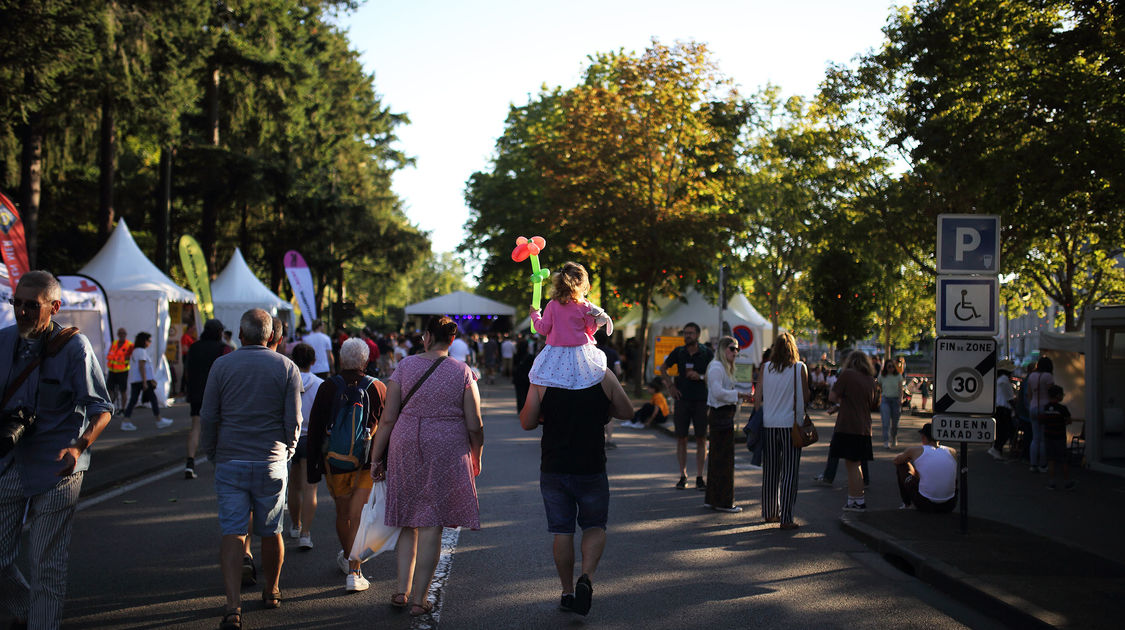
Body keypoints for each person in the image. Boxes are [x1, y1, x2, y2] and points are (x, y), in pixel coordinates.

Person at [0, 271, 114, 629]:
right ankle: (24, 610)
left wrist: (78, 448)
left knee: (46, 564)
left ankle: (41, 621)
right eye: (16, 303)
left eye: (31, 306)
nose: (21, 312)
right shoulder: (3, 342)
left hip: (58, 468)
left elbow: (102, 409)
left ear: (54, 307)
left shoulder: (74, 348)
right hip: (10, 463)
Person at [368, 316, 483, 618]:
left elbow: (388, 418)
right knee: (431, 522)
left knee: (408, 517)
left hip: (405, 443)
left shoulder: (405, 366)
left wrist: (376, 457)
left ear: (428, 337)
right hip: (446, 446)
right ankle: (420, 598)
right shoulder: (463, 371)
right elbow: (475, 423)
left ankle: (401, 590)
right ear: (452, 340)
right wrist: (477, 455)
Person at [200, 309, 302, 630]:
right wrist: (288, 450)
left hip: (230, 459)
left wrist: (211, 451)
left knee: (233, 531)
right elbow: (294, 420)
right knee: (272, 530)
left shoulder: (222, 365)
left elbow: (209, 416)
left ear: (240, 335)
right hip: (271, 459)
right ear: (271, 336)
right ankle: (271, 591)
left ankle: (233, 606)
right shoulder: (287, 367)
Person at [519, 353, 633, 616]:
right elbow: (627, 411)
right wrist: (603, 409)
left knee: (562, 531)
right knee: (594, 525)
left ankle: (568, 592)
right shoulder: (601, 373)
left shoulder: (542, 376)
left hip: (554, 465)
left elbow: (526, 422)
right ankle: (587, 578)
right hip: (591, 464)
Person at [306, 338, 386, 591]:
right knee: (359, 515)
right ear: (365, 361)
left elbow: (317, 429)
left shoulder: (328, 387)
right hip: (367, 462)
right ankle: (355, 569)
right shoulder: (378, 388)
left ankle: (351, 560)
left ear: (341, 360)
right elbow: (388, 427)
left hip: (334, 462)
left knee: (343, 514)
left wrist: (313, 469)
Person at [528, 262, 613, 392]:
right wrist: (596, 322)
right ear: (583, 285)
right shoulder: (586, 306)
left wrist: (535, 315)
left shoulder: (552, 305)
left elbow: (543, 329)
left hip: (556, 354)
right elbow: (590, 330)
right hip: (582, 354)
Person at [754, 332, 807, 529]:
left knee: (771, 470)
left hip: (769, 424)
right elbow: (803, 397)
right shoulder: (799, 368)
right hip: (790, 425)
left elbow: (757, 398)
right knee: (790, 471)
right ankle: (786, 517)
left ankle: (769, 512)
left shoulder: (765, 368)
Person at [659, 322, 714, 490]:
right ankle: (682, 476)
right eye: (685, 333)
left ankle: (699, 476)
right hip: (682, 400)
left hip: (701, 401)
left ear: (698, 335)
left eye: (690, 333)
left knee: (701, 439)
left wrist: (701, 375)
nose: (687, 336)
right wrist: (670, 387)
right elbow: (663, 368)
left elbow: (715, 374)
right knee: (681, 438)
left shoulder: (707, 353)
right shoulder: (679, 352)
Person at [704, 336, 751, 513]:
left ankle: (713, 498)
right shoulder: (717, 367)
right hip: (720, 414)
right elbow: (716, 392)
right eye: (732, 348)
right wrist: (737, 395)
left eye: (737, 349)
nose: (735, 352)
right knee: (724, 460)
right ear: (723, 349)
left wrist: (737, 395)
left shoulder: (722, 367)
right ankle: (723, 501)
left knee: (718, 459)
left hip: (722, 414)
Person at [828, 351, 878, 512]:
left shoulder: (848, 375)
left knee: (852, 466)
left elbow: (832, 396)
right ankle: (855, 498)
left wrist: (841, 400)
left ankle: (857, 502)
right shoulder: (870, 380)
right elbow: (873, 402)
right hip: (864, 426)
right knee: (857, 465)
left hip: (848, 425)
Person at [286, 343, 322, 550]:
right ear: (313, 361)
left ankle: (295, 524)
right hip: (312, 438)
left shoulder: (287, 380)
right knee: (311, 488)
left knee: (293, 486)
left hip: (291, 436)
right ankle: (306, 534)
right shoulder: (319, 384)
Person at [185, 319, 229, 479]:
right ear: (219, 332)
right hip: (217, 393)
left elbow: (187, 370)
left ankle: (190, 463)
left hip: (196, 392)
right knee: (218, 427)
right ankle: (218, 462)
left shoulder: (194, 347)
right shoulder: (223, 348)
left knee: (195, 426)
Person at [893, 423, 957, 512]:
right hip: (949, 504)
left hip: (925, 504)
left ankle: (907, 504)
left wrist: (906, 456)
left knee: (902, 465)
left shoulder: (915, 450)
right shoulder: (952, 451)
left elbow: (896, 461)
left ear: (923, 437)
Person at [121, 332, 173, 431]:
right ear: (144, 341)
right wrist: (145, 381)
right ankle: (159, 420)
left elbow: (144, 368)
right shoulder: (140, 351)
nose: (150, 343)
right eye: (149, 340)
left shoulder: (137, 351)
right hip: (141, 380)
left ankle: (126, 420)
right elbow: (142, 367)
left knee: (134, 400)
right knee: (152, 399)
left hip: (138, 380)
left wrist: (151, 379)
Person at [1040, 384, 1076, 490]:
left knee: (1051, 460)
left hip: (1048, 436)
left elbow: (1042, 420)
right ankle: (1066, 481)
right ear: (1058, 396)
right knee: (1063, 460)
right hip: (1059, 437)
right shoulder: (1062, 409)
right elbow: (1069, 420)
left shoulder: (1046, 408)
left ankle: (1051, 482)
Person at [1026, 356, 1054, 473]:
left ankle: (1033, 464)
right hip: (1045, 407)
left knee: (1035, 438)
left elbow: (1029, 394)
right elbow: (1051, 392)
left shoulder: (1032, 376)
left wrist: (1031, 404)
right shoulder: (1048, 376)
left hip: (1033, 407)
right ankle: (1043, 464)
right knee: (1043, 439)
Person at [989, 360, 1018, 460]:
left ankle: (997, 449)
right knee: (1006, 431)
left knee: (1001, 430)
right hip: (1003, 409)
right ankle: (997, 448)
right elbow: (1010, 398)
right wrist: (1015, 408)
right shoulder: (1005, 380)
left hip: (999, 408)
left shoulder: (999, 379)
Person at [105, 327, 132, 413]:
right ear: (118, 334)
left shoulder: (129, 345)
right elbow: (110, 354)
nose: (121, 335)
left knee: (122, 390)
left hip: (122, 371)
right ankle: (110, 406)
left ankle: (123, 409)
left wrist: (119, 358)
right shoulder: (114, 343)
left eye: (123, 333)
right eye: (120, 333)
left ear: (125, 335)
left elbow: (129, 357)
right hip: (112, 370)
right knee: (110, 389)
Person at [878, 358, 904, 448]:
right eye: (889, 366)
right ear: (886, 367)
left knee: (895, 424)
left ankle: (894, 437)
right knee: (885, 422)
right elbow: (879, 386)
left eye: (893, 366)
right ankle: (886, 441)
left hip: (896, 400)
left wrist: (901, 399)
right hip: (885, 400)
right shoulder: (882, 376)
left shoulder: (898, 376)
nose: (891, 368)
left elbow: (901, 389)